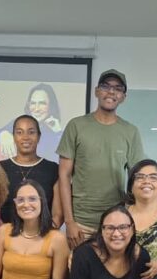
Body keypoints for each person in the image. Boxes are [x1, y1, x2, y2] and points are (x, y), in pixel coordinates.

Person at [57, 69, 144, 249]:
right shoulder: (76, 126)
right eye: (106, 86)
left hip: (116, 223)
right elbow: (64, 176)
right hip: (81, 223)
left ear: (123, 97)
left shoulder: (130, 131)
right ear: (97, 91)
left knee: (115, 268)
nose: (111, 92)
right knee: (79, 267)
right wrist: (69, 221)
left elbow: (137, 179)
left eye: (117, 88)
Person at [0, 114, 63, 227]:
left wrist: (43, 235)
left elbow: (57, 215)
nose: (25, 137)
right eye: (19, 132)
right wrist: (5, 234)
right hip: (6, 234)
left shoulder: (52, 169)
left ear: (39, 136)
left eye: (31, 132)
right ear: (13, 137)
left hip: (43, 235)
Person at [0, 83, 65, 161]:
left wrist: (58, 132)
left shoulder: (55, 133)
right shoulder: (20, 122)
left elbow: (62, 158)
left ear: (51, 106)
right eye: (33, 103)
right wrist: (3, 134)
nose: (36, 109)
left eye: (42, 103)